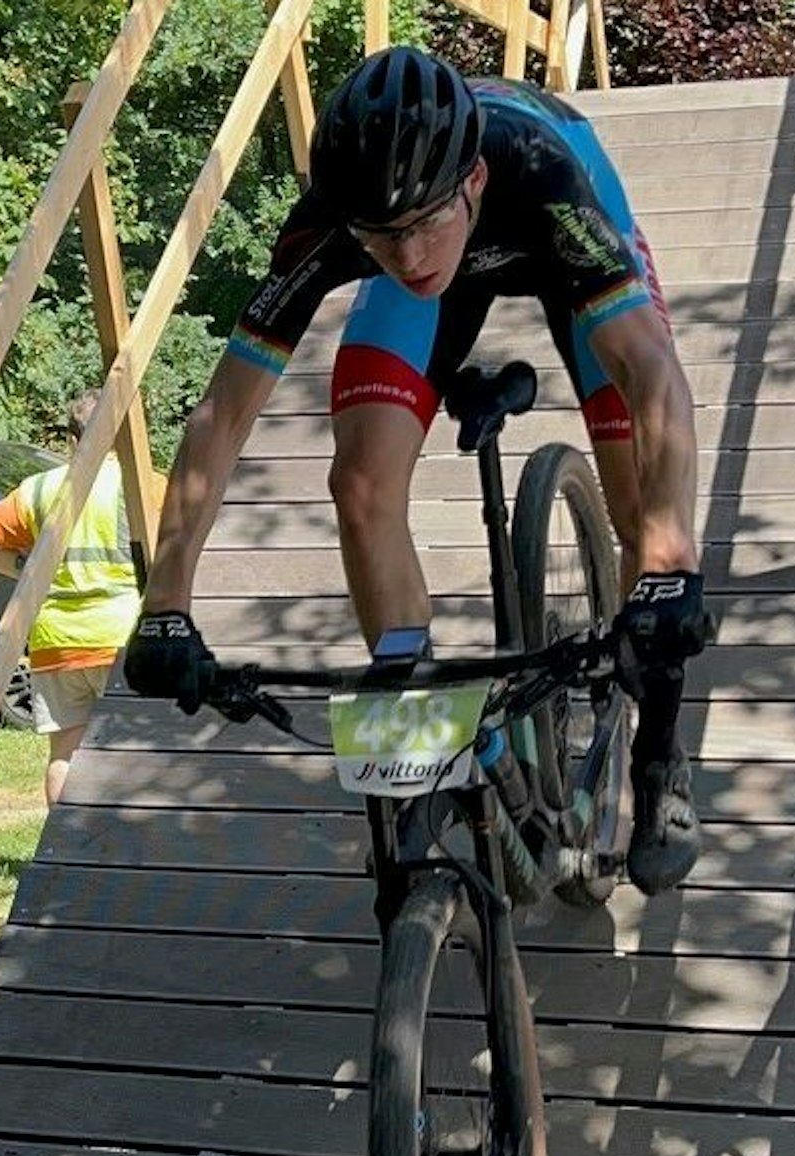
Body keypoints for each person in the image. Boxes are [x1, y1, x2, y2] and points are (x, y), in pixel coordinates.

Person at [121, 47, 712, 895]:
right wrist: (167, 605)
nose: (405, 252)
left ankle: (659, 758)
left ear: (469, 179)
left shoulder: (535, 171)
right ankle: (417, 728)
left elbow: (653, 374)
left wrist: (667, 566)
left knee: (638, 505)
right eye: (380, 236)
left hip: (558, 213)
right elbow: (223, 413)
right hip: (441, 231)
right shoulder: (349, 217)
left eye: (422, 223)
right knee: (359, 483)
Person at [0, 390, 141, 806]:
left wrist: (26, 572)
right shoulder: (140, 484)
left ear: (71, 439)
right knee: (136, 751)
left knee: (64, 751)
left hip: (55, 642)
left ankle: (62, 852)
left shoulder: (39, 489)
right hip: (121, 635)